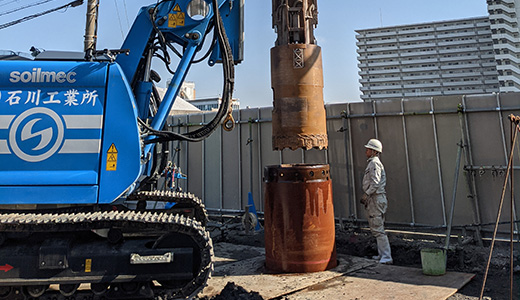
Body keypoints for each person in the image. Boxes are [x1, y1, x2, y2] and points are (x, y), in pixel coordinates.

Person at [361, 138, 393, 264]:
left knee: (378, 229)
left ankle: (386, 257)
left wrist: (366, 194)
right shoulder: (373, 163)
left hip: (375, 199)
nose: (366, 151)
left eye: (368, 149)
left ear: (374, 151)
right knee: (377, 228)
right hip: (376, 199)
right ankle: (382, 255)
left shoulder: (374, 164)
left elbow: (375, 182)